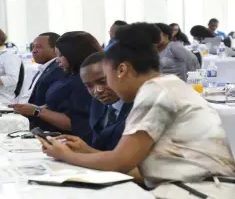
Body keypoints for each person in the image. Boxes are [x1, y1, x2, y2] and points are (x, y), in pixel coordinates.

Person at [37, 23, 235, 199]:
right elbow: (137, 163)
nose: (102, 89)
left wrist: (65, 155)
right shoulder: (166, 86)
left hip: (197, 191)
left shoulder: (156, 91)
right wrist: (87, 151)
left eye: (106, 77)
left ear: (122, 70)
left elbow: (120, 163)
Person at [14, 31, 99, 145]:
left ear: (73, 54)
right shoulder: (70, 74)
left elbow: (75, 123)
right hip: (51, 135)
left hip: (71, 140)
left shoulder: (83, 81)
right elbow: (57, 104)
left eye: (60, 55)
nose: (57, 59)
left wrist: (37, 111)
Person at [80, 52, 133, 151]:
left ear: (121, 72)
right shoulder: (97, 102)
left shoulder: (140, 106)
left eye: (103, 81)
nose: (97, 90)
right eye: (89, 86)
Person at [21, 32, 64, 104]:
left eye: (38, 47)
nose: (34, 51)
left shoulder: (57, 69)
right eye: (33, 47)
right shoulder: (44, 68)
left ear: (55, 50)